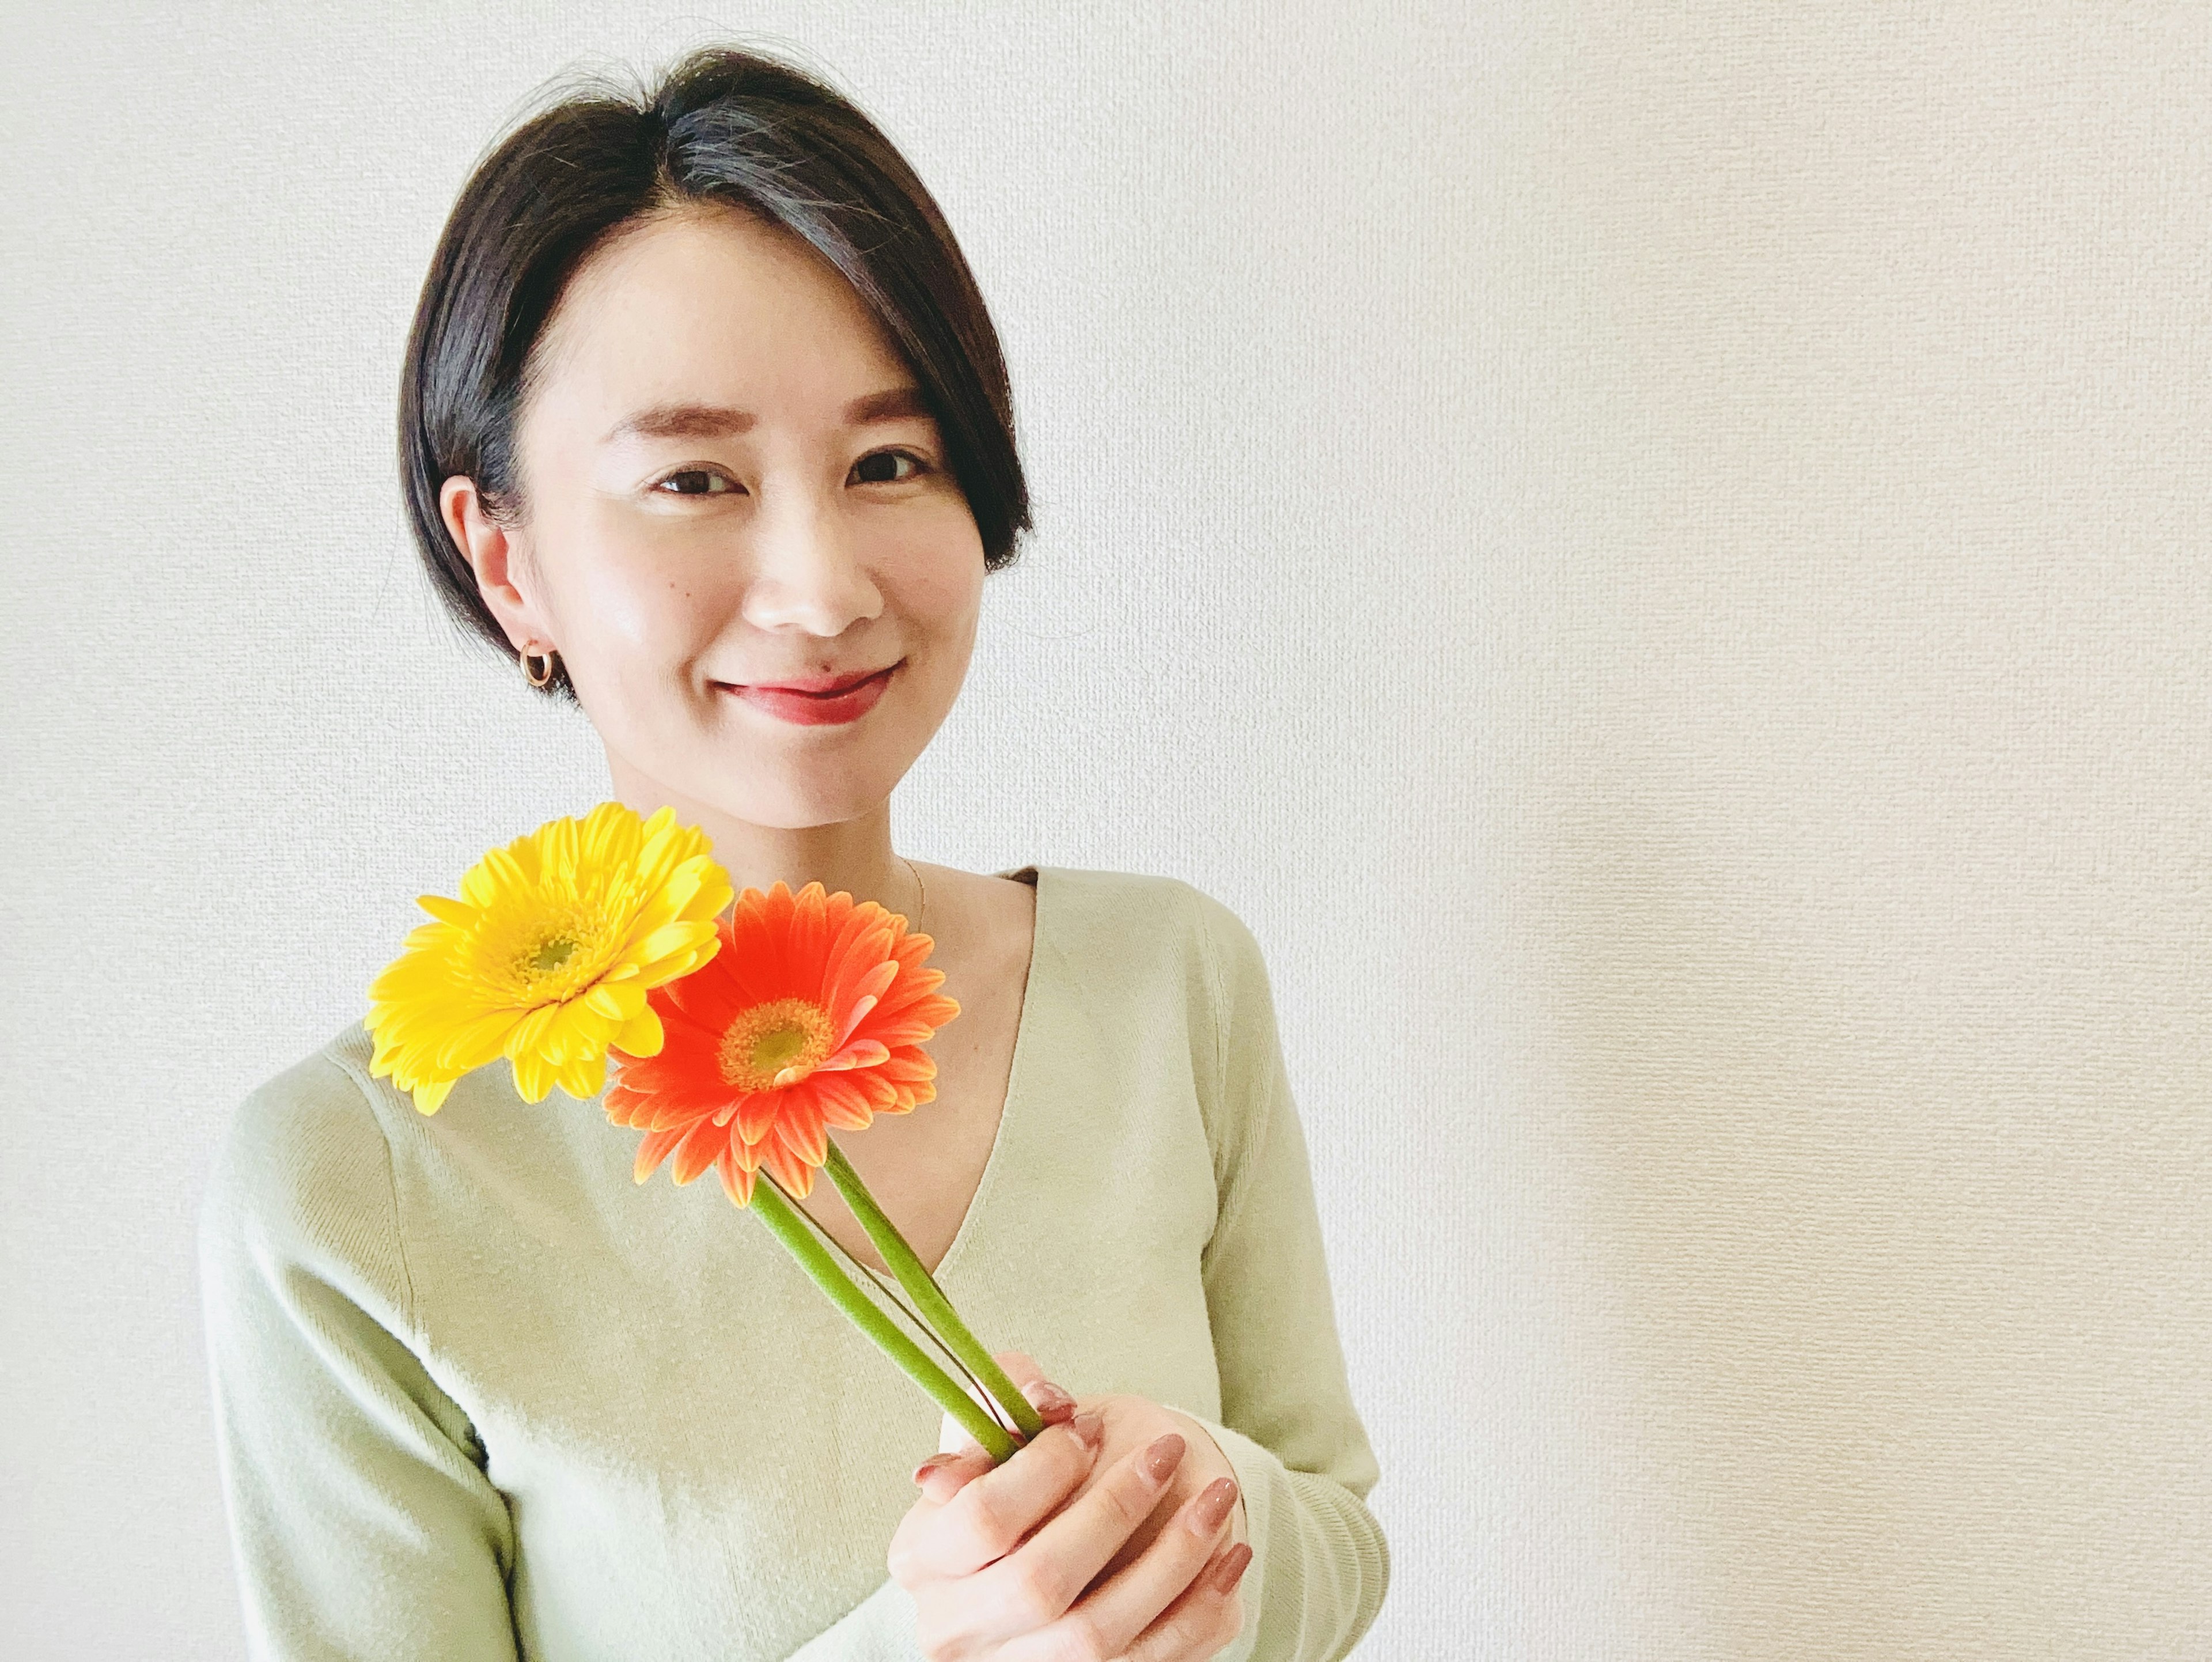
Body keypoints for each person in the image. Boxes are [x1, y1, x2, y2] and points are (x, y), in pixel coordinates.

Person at [196, 43, 1389, 1662]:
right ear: (507, 560)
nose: (821, 587)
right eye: (694, 480)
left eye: (890, 462)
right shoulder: (354, 1185)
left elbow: (1334, 1535)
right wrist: (946, 1637)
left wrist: (1176, 1502)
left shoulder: (1173, 984)